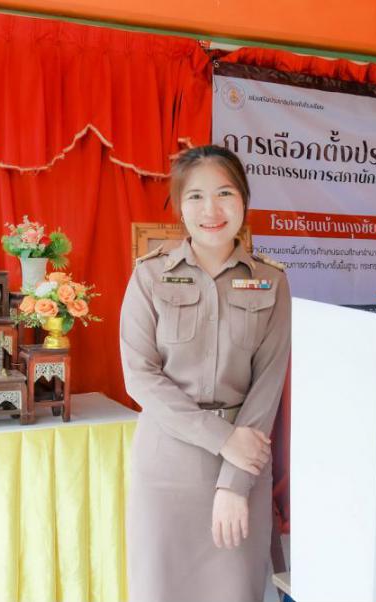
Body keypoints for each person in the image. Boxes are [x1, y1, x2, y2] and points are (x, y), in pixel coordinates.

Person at [119, 145, 291, 602]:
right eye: (195, 196)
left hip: (242, 466)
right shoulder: (150, 276)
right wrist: (222, 438)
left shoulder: (272, 281)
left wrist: (235, 481)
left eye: (224, 194)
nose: (211, 210)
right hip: (167, 466)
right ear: (180, 206)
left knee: (233, 591)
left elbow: (268, 385)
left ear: (244, 200)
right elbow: (140, 376)